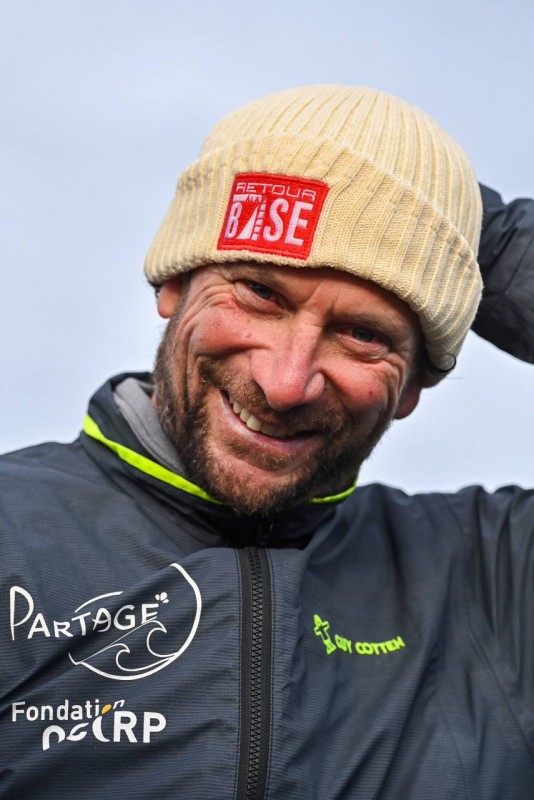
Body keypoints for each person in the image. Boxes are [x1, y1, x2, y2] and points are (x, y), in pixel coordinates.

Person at [1, 84, 533, 800]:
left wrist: (474, 238)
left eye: (363, 334)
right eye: (259, 292)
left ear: (413, 386)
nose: (286, 384)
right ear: (175, 281)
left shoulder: (493, 581)